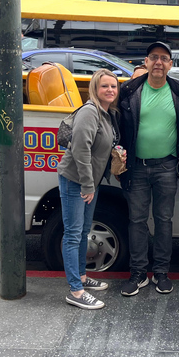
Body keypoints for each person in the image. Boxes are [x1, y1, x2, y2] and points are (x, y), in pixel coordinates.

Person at [118, 42, 179, 296]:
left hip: (167, 167)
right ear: (145, 62)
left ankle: (161, 272)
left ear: (171, 65)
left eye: (164, 58)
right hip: (136, 167)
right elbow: (109, 114)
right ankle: (138, 273)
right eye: (154, 57)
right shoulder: (128, 92)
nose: (158, 62)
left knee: (164, 221)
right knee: (136, 221)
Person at [57, 69, 121, 310]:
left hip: (88, 182)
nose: (110, 90)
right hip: (76, 180)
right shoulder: (89, 111)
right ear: (95, 88)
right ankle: (76, 290)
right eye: (105, 86)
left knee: (83, 231)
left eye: (113, 87)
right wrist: (87, 184)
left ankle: (82, 277)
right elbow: (80, 149)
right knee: (73, 234)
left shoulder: (105, 113)